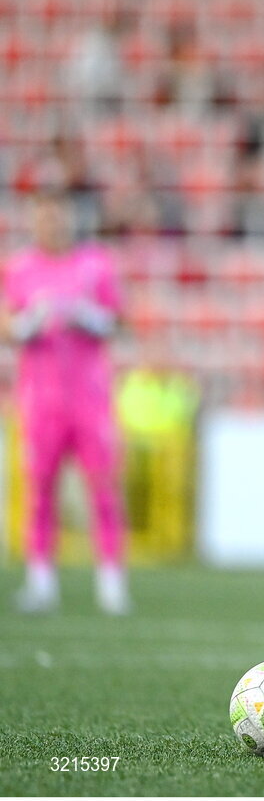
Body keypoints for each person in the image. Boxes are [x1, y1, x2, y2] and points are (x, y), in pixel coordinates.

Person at [2, 191, 130, 615]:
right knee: (39, 490)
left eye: (58, 217)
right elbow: (7, 326)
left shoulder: (95, 263)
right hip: (41, 399)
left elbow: (118, 319)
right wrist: (25, 325)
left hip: (90, 398)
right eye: (44, 217)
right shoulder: (19, 269)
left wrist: (90, 316)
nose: (52, 225)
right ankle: (41, 581)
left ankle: (111, 581)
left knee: (104, 486)